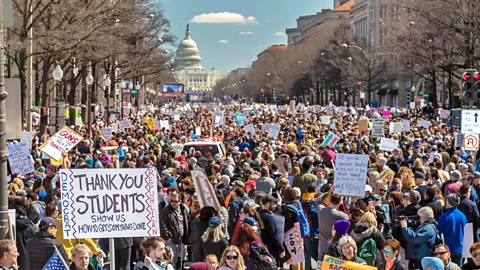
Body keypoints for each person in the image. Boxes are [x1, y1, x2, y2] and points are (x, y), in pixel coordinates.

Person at [317, 193, 349, 264]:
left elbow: (318, 200)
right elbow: (345, 232)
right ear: (340, 202)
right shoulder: (343, 216)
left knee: (321, 266)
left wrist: (328, 192)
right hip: (336, 246)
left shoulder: (321, 210)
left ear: (330, 200)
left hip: (322, 244)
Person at [159, 192, 189, 266]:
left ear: (180, 201)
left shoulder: (183, 210)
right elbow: (162, 225)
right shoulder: (165, 211)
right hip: (171, 239)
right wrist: (167, 237)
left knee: (180, 260)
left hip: (181, 239)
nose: (173, 203)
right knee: (171, 260)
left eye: (175, 201)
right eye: (172, 201)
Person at [437, 194, 467, 265]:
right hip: (459, 247)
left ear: (449, 202)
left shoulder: (444, 217)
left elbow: (439, 232)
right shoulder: (462, 216)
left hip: (447, 249)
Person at [259, 194, 284, 266]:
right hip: (271, 249)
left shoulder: (259, 214)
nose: (274, 206)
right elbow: (273, 235)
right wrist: (281, 249)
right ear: (268, 204)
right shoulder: (269, 217)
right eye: (273, 203)